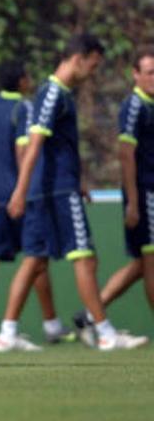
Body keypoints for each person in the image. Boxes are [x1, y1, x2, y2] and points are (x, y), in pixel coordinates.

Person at [0, 34, 148, 352]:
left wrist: (79, 180)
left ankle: (6, 333)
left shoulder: (59, 93)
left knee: (35, 260)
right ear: (79, 58)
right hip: (55, 192)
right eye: (93, 65)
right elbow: (35, 143)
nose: (92, 72)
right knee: (85, 259)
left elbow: (56, 145)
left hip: (53, 189)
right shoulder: (53, 92)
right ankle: (105, 333)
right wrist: (19, 191)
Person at [0, 61, 74, 345]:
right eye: (28, 76)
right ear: (21, 82)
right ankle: (49, 324)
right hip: (18, 194)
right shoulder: (25, 108)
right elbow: (23, 151)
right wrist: (22, 190)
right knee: (36, 256)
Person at [73, 45, 154, 345]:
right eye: (149, 72)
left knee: (140, 266)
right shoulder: (134, 106)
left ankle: (89, 315)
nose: (153, 78)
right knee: (150, 262)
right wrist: (133, 202)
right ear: (135, 75)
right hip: (144, 194)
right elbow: (126, 154)